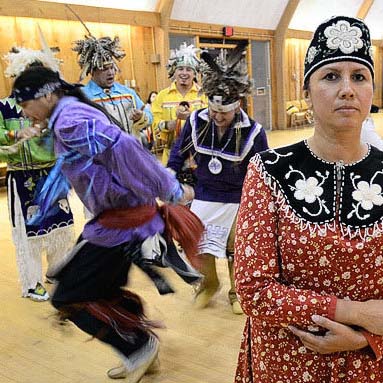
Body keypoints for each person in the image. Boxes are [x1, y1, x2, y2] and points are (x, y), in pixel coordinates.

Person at [12, 65, 201, 383]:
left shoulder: (70, 120)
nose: (24, 111)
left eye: (25, 103)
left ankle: (138, 347)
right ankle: (140, 347)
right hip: (117, 221)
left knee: (68, 297)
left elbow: (126, 148)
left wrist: (170, 189)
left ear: (45, 96)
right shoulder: (65, 117)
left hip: (120, 226)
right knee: (99, 289)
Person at [234, 16, 383, 382]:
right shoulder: (269, 170)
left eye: (358, 77)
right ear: (306, 91)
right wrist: (355, 312)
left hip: (367, 364)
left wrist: (362, 339)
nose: (347, 89)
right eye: (331, 76)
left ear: (371, 92)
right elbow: (254, 290)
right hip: (285, 362)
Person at [168, 41, 269, 314]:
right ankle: (209, 284)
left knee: (236, 243)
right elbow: (180, 150)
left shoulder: (253, 132)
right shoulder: (197, 121)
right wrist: (169, 173)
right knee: (199, 240)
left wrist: (260, 202)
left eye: (223, 113)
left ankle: (237, 293)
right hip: (205, 193)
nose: (217, 116)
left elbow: (264, 168)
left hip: (238, 196)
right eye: (213, 111)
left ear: (237, 107)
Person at [0, 47, 74, 301]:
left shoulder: (51, 107)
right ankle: (31, 283)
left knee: (61, 229)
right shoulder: (4, 108)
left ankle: (59, 272)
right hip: (21, 177)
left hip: (52, 175)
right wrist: (16, 134)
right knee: (28, 235)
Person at [72, 35, 152, 144]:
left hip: (131, 154)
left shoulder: (127, 93)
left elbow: (149, 115)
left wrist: (141, 116)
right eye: (104, 69)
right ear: (92, 71)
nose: (110, 73)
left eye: (112, 67)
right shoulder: (83, 98)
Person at [152, 42, 207, 164]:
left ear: (195, 73)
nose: (184, 73)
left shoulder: (204, 95)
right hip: (171, 156)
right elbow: (153, 124)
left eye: (189, 69)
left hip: (200, 157)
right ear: (174, 72)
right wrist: (169, 125)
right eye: (180, 69)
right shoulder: (162, 96)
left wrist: (191, 118)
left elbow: (212, 123)